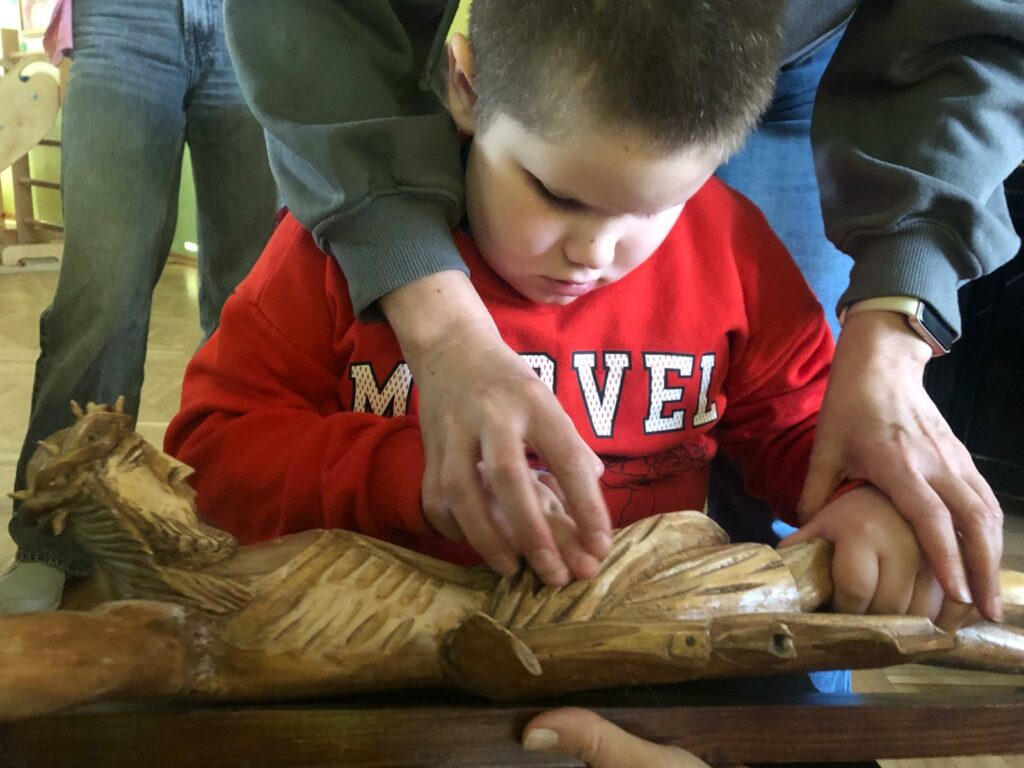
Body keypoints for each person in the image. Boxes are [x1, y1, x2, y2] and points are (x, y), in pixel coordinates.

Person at [164, 0, 964, 634]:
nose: (595, 251)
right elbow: (211, 461)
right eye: (557, 196)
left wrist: (856, 492)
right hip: (379, 659)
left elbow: (795, 429)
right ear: (467, 87)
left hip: (638, 656)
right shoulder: (330, 251)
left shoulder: (735, 251)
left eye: (657, 209)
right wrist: (406, 477)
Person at [0, 0, 279, 614]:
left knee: (255, 302)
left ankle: (240, 514)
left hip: (261, 22)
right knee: (100, 294)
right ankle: (55, 537)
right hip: (124, 19)